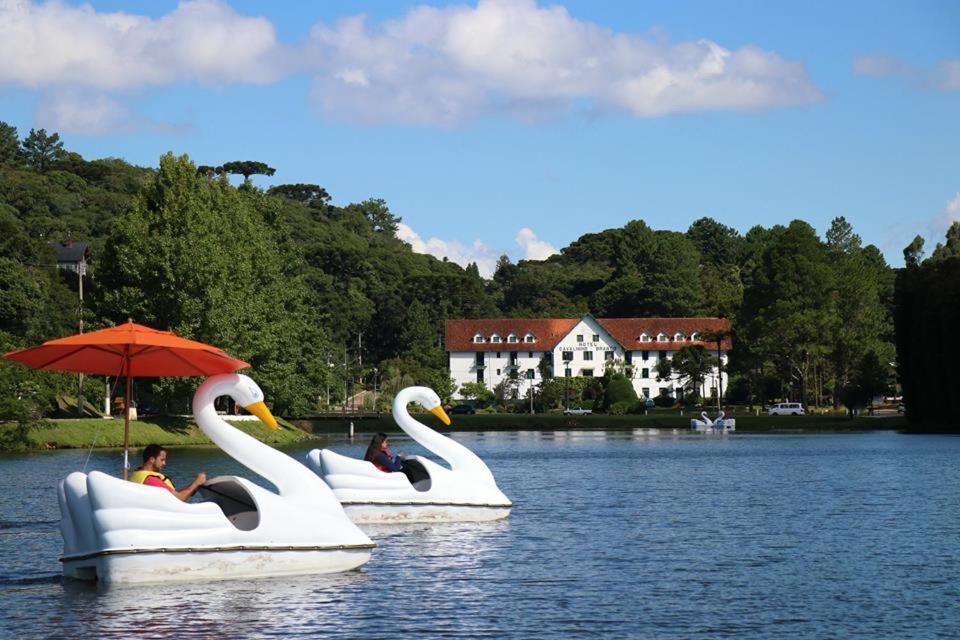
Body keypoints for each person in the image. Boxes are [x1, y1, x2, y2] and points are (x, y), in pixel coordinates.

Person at [130, 444, 206, 502]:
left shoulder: (138, 472)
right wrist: (196, 482)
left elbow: (174, 493)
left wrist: (193, 486)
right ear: (152, 460)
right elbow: (178, 499)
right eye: (162, 460)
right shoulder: (151, 480)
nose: (164, 463)